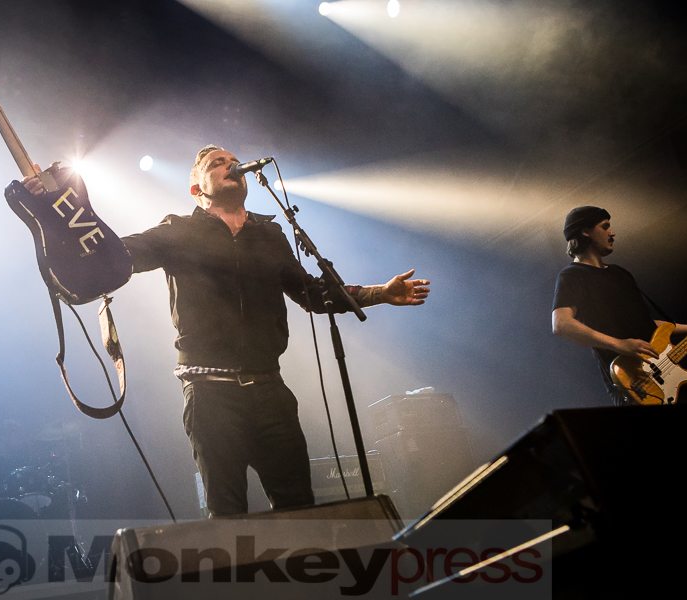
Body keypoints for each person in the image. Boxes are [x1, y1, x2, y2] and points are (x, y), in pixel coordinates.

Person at [24, 145, 430, 516]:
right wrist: (53, 209)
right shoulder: (178, 230)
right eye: (215, 163)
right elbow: (114, 255)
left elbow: (314, 293)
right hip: (210, 393)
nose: (228, 165)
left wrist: (381, 292)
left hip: (271, 391)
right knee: (228, 518)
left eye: (231, 160)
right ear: (195, 188)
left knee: (300, 512)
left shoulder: (270, 235)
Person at [551, 206, 687, 405]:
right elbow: (561, 324)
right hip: (635, 384)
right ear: (585, 231)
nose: (612, 233)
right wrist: (619, 344)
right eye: (605, 227)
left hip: (668, 376)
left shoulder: (620, 273)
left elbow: (646, 323)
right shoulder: (572, 275)